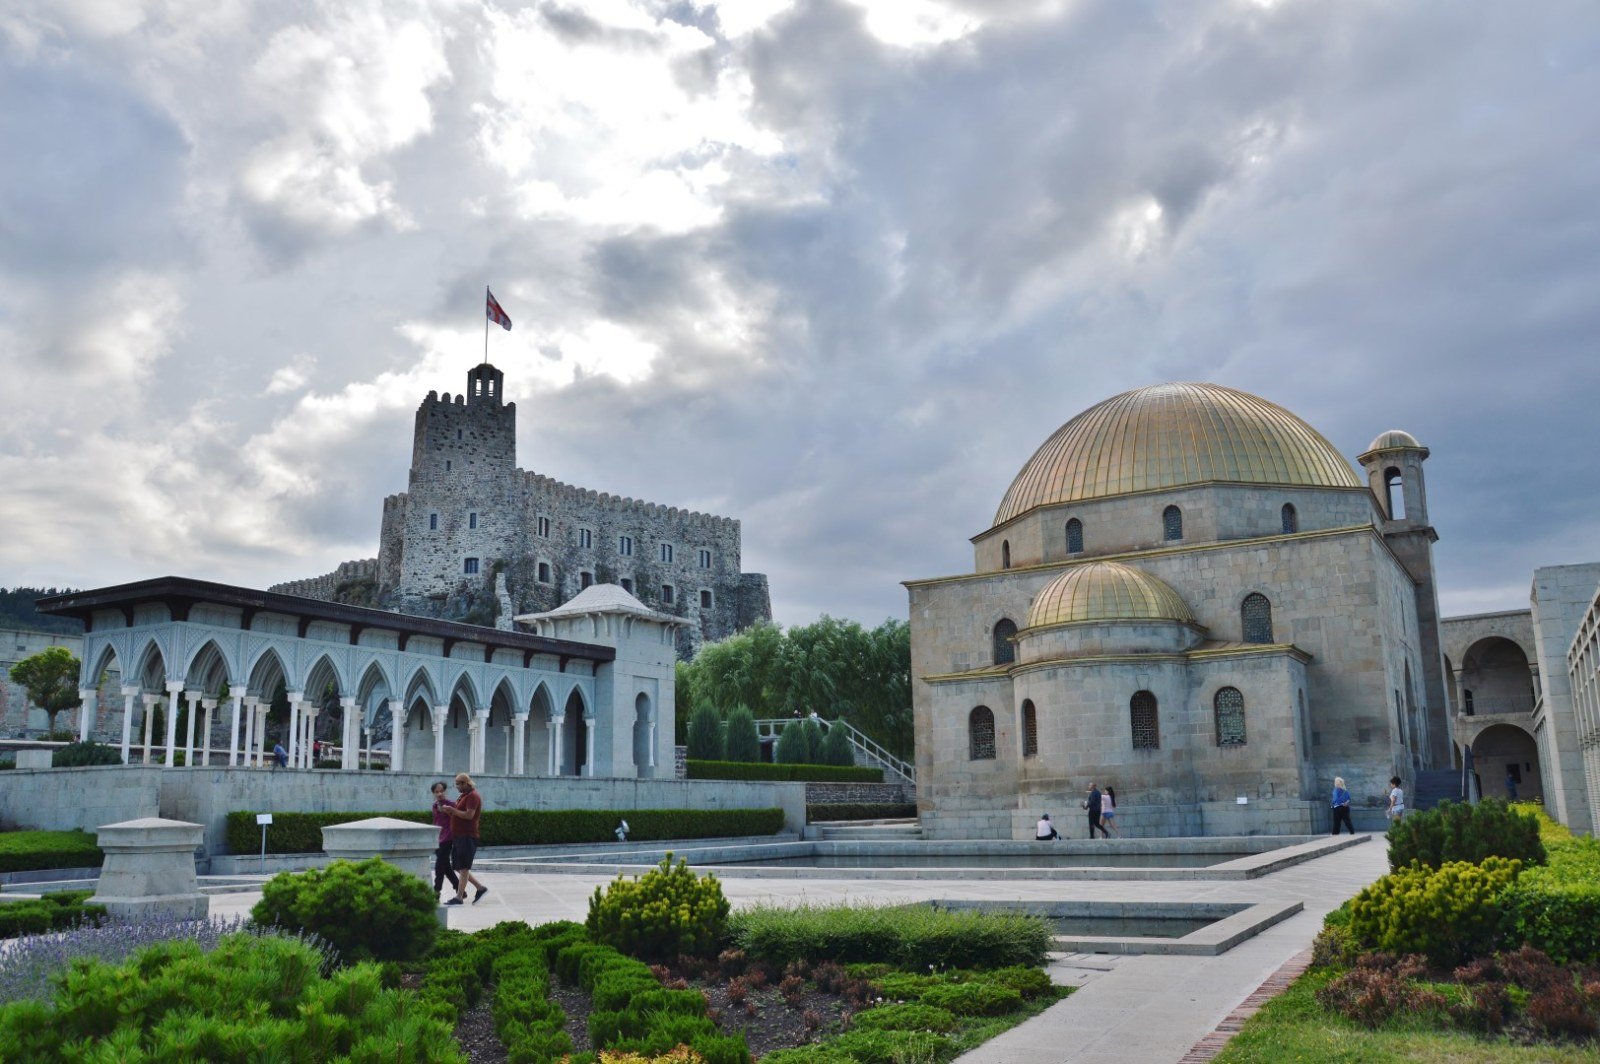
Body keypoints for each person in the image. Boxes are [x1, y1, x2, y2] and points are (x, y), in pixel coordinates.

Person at [443, 773, 489, 905]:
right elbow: (459, 814)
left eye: (458, 783)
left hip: (467, 836)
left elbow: (469, 815)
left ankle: (458, 898)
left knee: (463, 867)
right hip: (459, 837)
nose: (456, 786)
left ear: (465, 783)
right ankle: (480, 888)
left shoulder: (473, 796)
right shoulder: (463, 796)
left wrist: (453, 810)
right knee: (458, 866)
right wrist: (450, 811)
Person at [430, 781, 459, 901]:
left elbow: (458, 817)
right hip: (437, 838)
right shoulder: (435, 805)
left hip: (448, 838)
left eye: (441, 791)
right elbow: (436, 821)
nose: (439, 794)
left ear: (445, 791)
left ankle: (436, 892)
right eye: (436, 792)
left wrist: (449, 811)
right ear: (433, 793)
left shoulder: (452, 805)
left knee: (439, 866)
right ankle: (458, 887)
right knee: (445, 866)